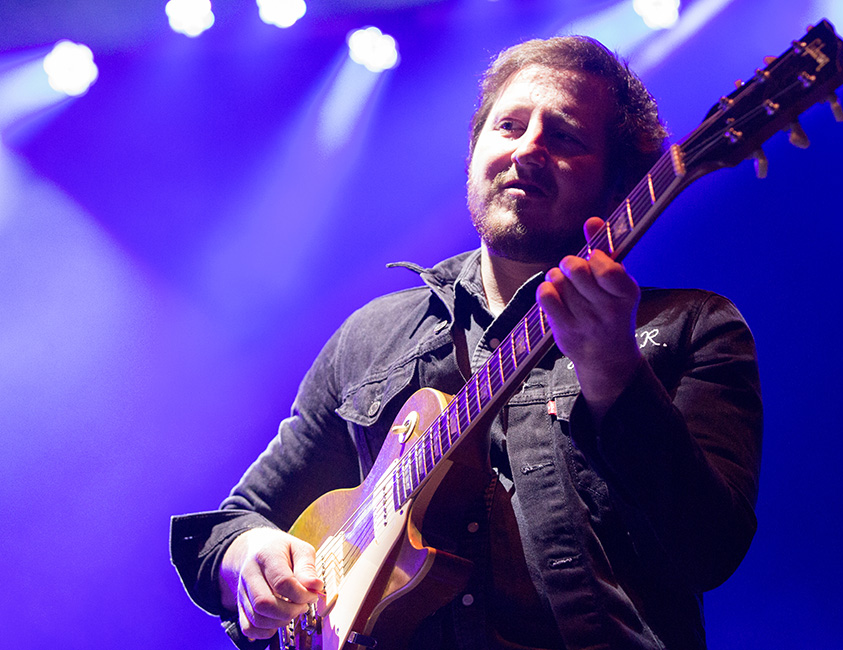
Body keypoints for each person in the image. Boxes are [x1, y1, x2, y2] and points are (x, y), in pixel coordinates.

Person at [171, 35, 763, 650]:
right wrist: (247, 555)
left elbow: (711, 549)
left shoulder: (690, 328)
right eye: (508, 125)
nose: (528, 147)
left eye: (564, 136)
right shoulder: (372, 337)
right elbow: (235, 521)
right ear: (473, 153)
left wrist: (614, 371)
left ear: (617, 190)